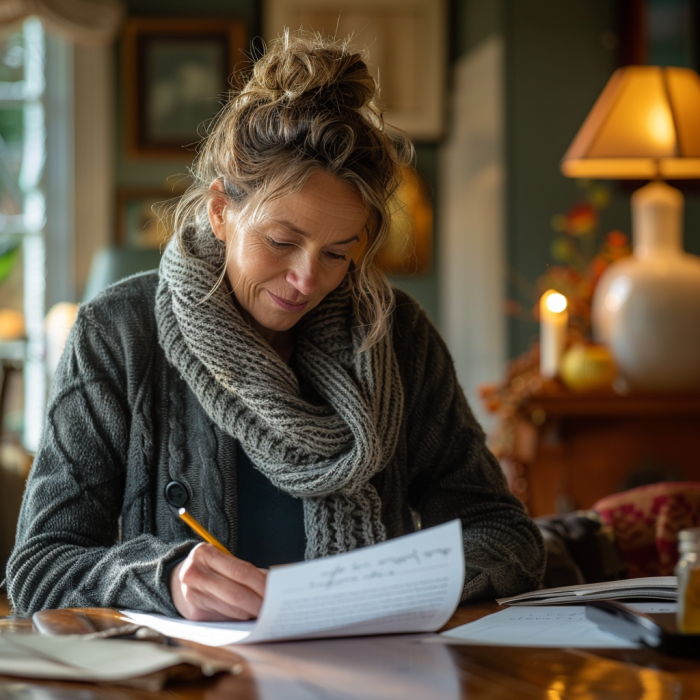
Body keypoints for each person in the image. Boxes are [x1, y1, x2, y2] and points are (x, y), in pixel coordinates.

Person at [7, 32, 544, 620]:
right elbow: (40, 568)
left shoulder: (396, 336)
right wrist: (168, 580)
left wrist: (386, 584)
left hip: (374, 668)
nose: (307, 280)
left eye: (339, 253)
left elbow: (506, 537)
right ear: (220, 211)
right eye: (281, 241)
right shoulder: (117, 332)